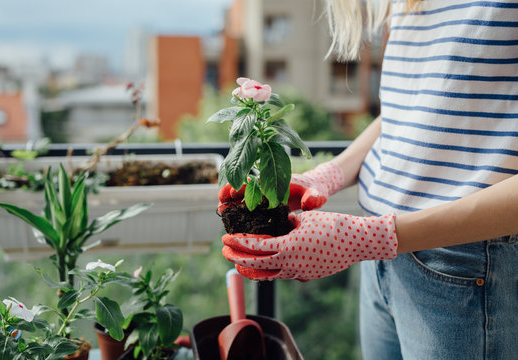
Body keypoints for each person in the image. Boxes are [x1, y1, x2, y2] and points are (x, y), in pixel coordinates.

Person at [219, 0, 518, 359]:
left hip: (465, 265)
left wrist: (372, 238)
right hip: (384, 262)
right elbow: (411, 107)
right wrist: (330, 174)